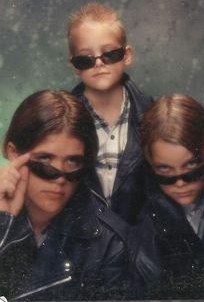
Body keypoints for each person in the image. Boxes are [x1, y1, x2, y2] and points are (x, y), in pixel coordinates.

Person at [0, 90, 130, 301]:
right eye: (45, 159)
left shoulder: (110, 245)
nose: (60, 178)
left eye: (72, 162)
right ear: (14, 153)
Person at [131, 94, 204, 299]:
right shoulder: (145, 231)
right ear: (150, 165)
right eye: (165, 171)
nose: (180, 183)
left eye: (191, 165)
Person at [67, 2, 151, 224]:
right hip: (82, 246)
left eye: (110, 54)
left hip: (140, 247)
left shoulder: (155, 117)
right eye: (86, 59)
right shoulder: (59, 123)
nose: (98, 64)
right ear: (75, 65)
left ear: (127, 55)